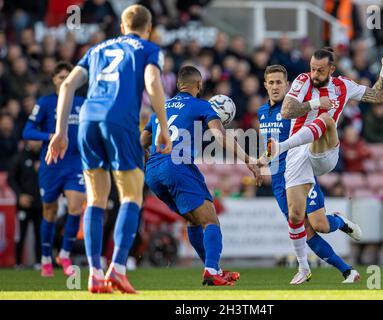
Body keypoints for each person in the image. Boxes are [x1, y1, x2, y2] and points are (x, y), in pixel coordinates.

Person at [46, 4, 172, 294]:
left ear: (122, 26)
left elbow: (66, 86)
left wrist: (60, 132)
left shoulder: (98, 48)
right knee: (131, 195)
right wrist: (163, 126)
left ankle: (94, 274)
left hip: (89, 119)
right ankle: (117, 267)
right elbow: (152, 81)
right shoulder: (148, 48)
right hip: (120, 120)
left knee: (96, 200)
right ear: (148, 27)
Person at [258, 47, 383, 283]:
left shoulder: (343, 85)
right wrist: (314, 102)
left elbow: (377, 96)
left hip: (324, 151)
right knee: (298, 217)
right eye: (312, 68)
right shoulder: (303, 81)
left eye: (320, 70)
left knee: (325, 118)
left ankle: (282, 146)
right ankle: (304, 266)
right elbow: (287, 110)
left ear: (332, 69)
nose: (314, 73)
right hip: (297, 155)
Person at [141, 65, 261, 286]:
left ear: (178, 85)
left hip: (153, 172)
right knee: (210, 219)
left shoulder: (161, 108)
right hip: (177, 165)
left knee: (194, 220)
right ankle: (212, 269)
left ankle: (212, 267)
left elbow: (142, 142)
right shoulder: (201, 105)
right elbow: (220, 136)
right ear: (199, 85)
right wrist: (248, 159)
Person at [258, 65, 360, 284]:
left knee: (320, 224)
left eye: (279, 82)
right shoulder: (261, 112)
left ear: (287, 85)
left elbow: (314, 129)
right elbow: (268, 145)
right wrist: (260, 163)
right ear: (265, 85)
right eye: (271, 82)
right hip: (278, 178)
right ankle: (344, 270)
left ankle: (339, 221)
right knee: (303, 228)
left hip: (300, 170)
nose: (275, 87)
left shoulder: (296, 110)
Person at [22, 61, 86, 277]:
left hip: (75, 163)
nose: (65, 80)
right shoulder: (46, 102)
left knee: (76, 207)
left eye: (69, 77)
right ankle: (46, 257)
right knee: (49, 211)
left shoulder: (82, 103)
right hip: (52, 164)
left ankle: (65, 254)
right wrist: (50, 136)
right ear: (54, 80)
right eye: (61, 77)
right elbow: (27, 131)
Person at [7, 140, 43, 268]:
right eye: (34, 139)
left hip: (40, 204)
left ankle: (39, 261)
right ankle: (18, 262)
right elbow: (10, 178)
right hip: (24, 204)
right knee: (20, 234)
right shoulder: (20, 156)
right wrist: (19, 195)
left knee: (40, 233)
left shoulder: (45, 155)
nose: (37, 143)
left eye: (39, 140)